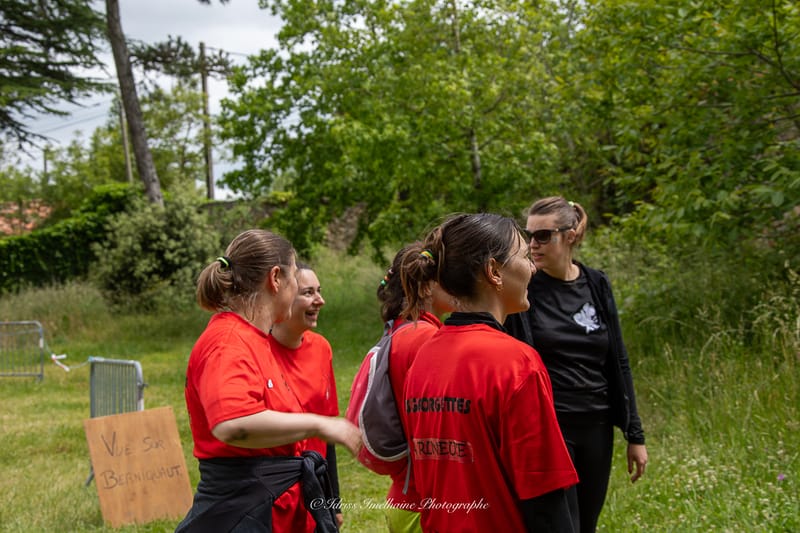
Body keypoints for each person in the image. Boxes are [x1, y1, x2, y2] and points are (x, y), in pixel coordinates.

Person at [400, 213, 578, 532]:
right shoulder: (516, 363)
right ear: (494, 271)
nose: (533, 267)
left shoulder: (423, 358)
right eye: (524, 256)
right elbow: (544, 494)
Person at [176, 229, 360, 533]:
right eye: (294, 279)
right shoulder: (228, 341)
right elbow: (232, 425)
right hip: (245, 515)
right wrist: (320, 424)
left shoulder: (256, 339)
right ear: (276, 279)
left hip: (270, 510)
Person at [504, 196, 648, 533]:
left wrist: (635, 434)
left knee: (587, 523)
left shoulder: (596, 284)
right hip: (551, 426)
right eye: (529, 236)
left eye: (543, 236)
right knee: (558, 524)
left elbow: (618, 359)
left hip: (596, 424)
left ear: (569, 235)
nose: (533, 244)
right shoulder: (525, 290)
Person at [371, 242, 454, 533]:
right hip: (429, 502)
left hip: (406, 497)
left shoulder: (402, 330)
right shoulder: (426, 338)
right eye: (448, 276)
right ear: (426, 288)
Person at [268, 262, 343, 530]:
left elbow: (327, 434)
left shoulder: (321, 348)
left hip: (316, 496)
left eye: (319, 291)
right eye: (308, 293)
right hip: (275, 499)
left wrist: (334, 503)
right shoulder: (258, 352)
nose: (319, 301)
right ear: (284, 295)